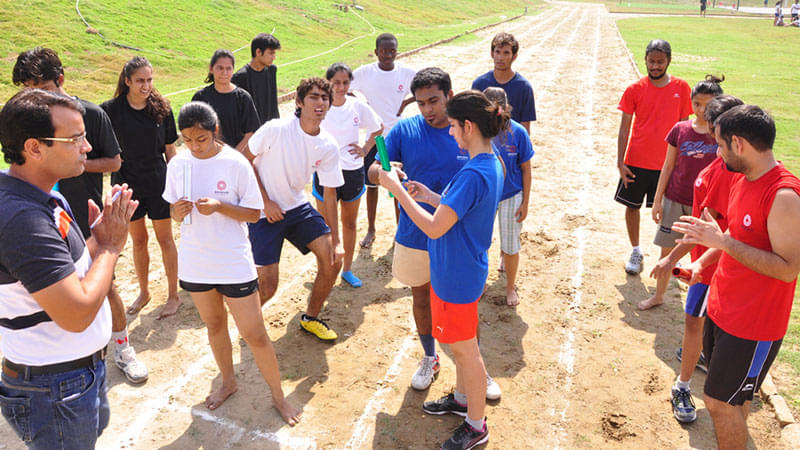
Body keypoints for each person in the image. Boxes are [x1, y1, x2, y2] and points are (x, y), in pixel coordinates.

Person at [0, 88, 137, 448]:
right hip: (53, 387)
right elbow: (76, 314)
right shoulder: (22, 218)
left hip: (74, 375)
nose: (87, 147)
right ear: (33, 147)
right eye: (75, 138)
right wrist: (110, 246)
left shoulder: (45, 193)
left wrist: (97, 239)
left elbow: (69, 269)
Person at [11, 47, 148, 384]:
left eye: (40, 87)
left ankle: (121, 347)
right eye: (27, 88)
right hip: (44, 219)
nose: (34, 96)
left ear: (60, 80)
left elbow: (115, 162)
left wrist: (72, 159)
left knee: (106, 288)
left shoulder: (89, 114)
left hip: (83, 218)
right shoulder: (28, 129)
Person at [378, 90, 506, 450]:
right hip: (461, 268)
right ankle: (463, 399)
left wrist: (398, 193)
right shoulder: (488, 163)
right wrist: (428, 196)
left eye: (452, 126)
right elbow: (457, 208)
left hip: (456, 275)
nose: (449, 133)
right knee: (458, 345)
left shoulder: (473, 172)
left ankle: (476, 425)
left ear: (468, 126)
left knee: (465, 351)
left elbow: (435, 228)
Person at [163, 101, 301, 424]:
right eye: (187, 139)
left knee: (255, 334)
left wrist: (220, 206)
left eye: (201, 139)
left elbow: (254, 213)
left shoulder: (236, 163)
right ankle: (228, 382)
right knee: (214, 325)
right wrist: (176, 212)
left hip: (232, 261)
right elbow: (172, 209)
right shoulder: (178, 165)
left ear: (215, 132)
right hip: (196, 262)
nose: (194, 146)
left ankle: (279, 397)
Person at [672, 105, 800, 449]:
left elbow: (788, 268)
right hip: (723, 310)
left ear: (739, 144)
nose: (718, 152)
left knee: (718, 403)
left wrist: (723, 242)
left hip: (753, 326)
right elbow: (732, 238)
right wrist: (705, 260)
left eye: (721, 145)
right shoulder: (743, 179)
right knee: (734, 401)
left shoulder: (784, 196)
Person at [650, 94, 744, 425]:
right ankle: (684, 382)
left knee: (715, 328)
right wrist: (674, 258)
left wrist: (681, 261)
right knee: (695, 322)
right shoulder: (712, 174)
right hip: (707, 269)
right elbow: (706, 227)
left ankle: (694, 377)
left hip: (728, 271)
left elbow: (726, 231)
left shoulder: (738, 172)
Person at [241, 77, 344, 341]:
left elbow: (329, 194)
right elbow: (244, 163)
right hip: (263, 212)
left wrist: (337, 240)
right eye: (313, 97)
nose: (319, 103)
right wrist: (265, 201)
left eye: (324, 98)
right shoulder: (275, 129)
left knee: (333, 258)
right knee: (268, 286)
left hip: (296, 206)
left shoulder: (328, 145)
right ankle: (248, 321)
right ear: (299, 102)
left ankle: (310, 317)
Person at [101, 56, 181, 318]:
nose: (146, 85)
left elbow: (171, 149)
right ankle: (144, 291)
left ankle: (173, 295)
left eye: (149, 79)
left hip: (158, 182)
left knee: (166, 239)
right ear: (127, 81)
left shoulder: (162, 109)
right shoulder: (109, 111)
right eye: (140, 80)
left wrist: (177, 183)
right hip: (126, 186)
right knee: (139, 241)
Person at [640, 75, 724, 311]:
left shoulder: (720, 135)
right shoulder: (680, 129)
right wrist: (657, 201)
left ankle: (703, 302)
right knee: (666, 250)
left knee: (703, 255)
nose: (701, 110)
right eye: (697, 104)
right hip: (675, 199)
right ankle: (658, 295)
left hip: (706, 207)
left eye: (708, 105)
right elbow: (667, 166)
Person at [615, 39, 692, 275]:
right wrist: (620, 162)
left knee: (672, 212)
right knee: (632, 207)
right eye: (651, 61)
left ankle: (670, 257)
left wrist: (684, 162)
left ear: (668, 60)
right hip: (636, 161)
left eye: (660, 61)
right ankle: (636, 250)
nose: (655, 66)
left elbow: (684, 128)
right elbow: (624, 127)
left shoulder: (682, 88)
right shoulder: (634, 89)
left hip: (668, 164)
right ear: (645, 60)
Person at [317, 63, 383, 288]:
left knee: (349, 223)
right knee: (325, 224)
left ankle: (346, 269)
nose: (341, 87)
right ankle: (326, 267)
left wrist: (365, 149)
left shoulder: (357, 106)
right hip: (325, 171)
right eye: (336, 82)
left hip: (352, 171)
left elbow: (378, 127)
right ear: (328, 83)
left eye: (345, 82)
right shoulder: (319, 106)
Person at [350, 33, 416, 249]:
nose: (388, 54)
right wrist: (363, 105)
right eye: (383, 51)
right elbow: (345, 87)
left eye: (392, 51)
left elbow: (426, 85)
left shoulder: (406, 73)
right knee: (372, 185)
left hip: (396, 137)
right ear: (376, 51)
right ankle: (371, 229)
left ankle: (400, 231)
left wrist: (406, 102)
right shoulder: (366, 73)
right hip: (374, 137)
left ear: (397, 51)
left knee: (398, 185)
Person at [482, 87, 534, 307]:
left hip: (511, 195)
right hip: (485, 195)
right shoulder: (477, 131)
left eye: (499, 107)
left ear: (506, 108)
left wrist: (525, 202)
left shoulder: (518, 133)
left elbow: (526, 170)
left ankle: (510, 286)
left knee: (511, 244)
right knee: (480, 242)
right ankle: (481, 280)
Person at [192, 49, 260, 151]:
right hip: (208, 155)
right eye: (220, 68)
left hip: (237, 157)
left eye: (228, 68)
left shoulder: (243, 98)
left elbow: (250, 133)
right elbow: (193, 131)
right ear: (211, 69)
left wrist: (233, 156)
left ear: (233, 70)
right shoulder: (200, 98)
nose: (224, 72)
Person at [471, 32, 536, 134]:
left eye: (506, 53)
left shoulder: (524, 88)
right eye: (497, 52)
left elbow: (525, 129)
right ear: (492, 54)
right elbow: (473, 121)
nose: (500, 57)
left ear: (514, 56)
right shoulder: (479, 84)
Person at [231, 33, 281, 125]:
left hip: (271, 129)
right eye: (271, 53)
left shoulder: (272, 70)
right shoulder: (240, 77)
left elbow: (273, 103)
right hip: (251, 133)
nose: (274, 57)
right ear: (258, 52)